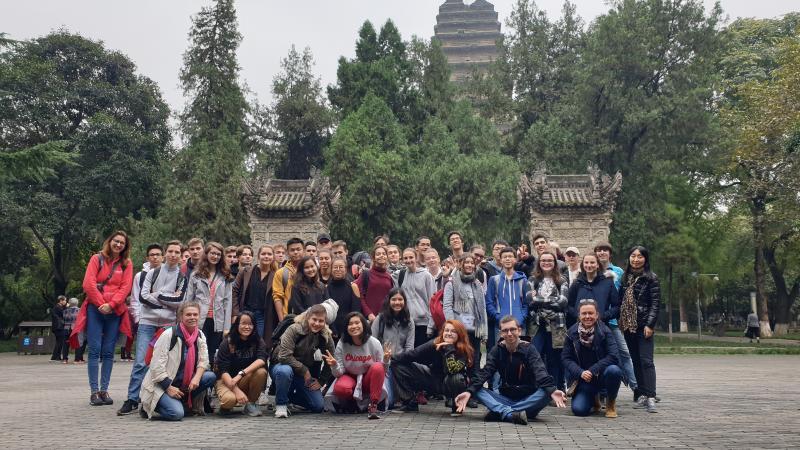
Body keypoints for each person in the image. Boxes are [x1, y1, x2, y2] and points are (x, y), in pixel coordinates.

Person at [454, 315, 567, 425]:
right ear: (501, 333)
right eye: (505, 330)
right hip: (505, 398)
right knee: (476, 389)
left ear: (519, 331)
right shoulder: (497, 350)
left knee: (547, 393)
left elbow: (540, 372)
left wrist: (552, 390)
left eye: (512, 329)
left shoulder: (530, 349)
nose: (509, 334)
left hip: (529, 400)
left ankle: (501, 412)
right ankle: (510, 414)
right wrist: (469, 391)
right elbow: (485, 372)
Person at [117, 240, 186, 416]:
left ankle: (153, 398)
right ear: (165, 253)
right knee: (141, 361)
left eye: (177, 252)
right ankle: (132, 398)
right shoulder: (151, 273)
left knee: (164, 363)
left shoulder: (182, 277)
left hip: (168, 325)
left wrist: (159, 295)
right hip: (148, 322)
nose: (173, 255)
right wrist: (167, 300)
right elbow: (143, 297)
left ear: (180, 255)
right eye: (170, 251)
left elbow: (180, 302)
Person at [70, 230, 134, 406]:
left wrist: (112, 305)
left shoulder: (126, 264)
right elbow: (88, 284)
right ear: (110, 241)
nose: (118, 244)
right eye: (116, 241)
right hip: (95, 309)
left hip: (114, 311)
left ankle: (104, 390)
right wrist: (101, 304)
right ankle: (94, 391)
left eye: (122, 242)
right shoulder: (96, 259)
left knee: (108, 351)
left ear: (125, 246)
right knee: (94, 349)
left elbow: (125, 287)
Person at [139, 301, 216, 420]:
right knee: (177, 414)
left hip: (183, 384)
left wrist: (196, 378)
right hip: (162, 384)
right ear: (181, 316)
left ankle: (183, 401)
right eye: (188, 315)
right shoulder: (169, 335)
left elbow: (204, 361)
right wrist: (169, 388)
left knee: (209, 376)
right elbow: (155, 367)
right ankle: (149, 405)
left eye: (195, 315)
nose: (192, 317)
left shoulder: (200, 335)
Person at [391, 320, 473, 415]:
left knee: (457, 378)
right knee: (398, 364)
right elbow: (414, 354)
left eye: (453, 331)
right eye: (446, 330)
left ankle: (457, 406)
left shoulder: (464, 350)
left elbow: (452, 370)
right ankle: (410, 403)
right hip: (433, 380)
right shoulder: (435, 343)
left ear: (460, 334)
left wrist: (449, 348)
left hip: (451, 384)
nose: (449, 334)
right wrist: (391, 358)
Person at [270, 304, 335, 418]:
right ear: (307, 317)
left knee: (318, 406)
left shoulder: (325, 335)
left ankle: (290, 397)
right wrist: (305, 371)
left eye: (321, 321)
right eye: (314, 319)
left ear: (325, 322)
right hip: (280, 366)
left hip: (301, 375)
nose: (317, 323)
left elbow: (331, 358)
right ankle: (281, 404)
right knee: (285, 371)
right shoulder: (294, 329)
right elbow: (284, 356)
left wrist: (321, 381)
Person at [561, 299, 623, 418]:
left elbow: (614, 356)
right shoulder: (571, 333)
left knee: (614, 370)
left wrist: (593, 370)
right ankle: (593, 397)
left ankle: (610, 403)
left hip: (602, 375)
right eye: (584, 313)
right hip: (583, 379)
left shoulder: (605, 331)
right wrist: (580, 372)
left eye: (590, 313)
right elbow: (566, 358)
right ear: (579, 315)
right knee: (579, 410)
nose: (587, 316)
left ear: (597, 315)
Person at [323, 312, 390, 419]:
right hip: (349, 376)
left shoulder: (374, 343)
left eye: (357, 323)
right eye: (350, 324)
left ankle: (373, 405)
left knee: (378, 367)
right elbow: (338, 373)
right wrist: (334, 365)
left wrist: (386, 360)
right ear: (346, 327)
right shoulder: (342, 343)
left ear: (363, 324)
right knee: (341, 388)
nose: (354, 326)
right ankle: (351, 404)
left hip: (368, 379)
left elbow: (383, 370)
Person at [619, 246, 660, 413]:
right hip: (629, 325)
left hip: (644, 325)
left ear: (646, 259)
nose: (636, 259)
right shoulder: (625, 277)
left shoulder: (651, 278)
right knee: (635, 360)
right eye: (633, 256)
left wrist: (650, 325)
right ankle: (642, 393)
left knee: (646, 361)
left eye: (640, 256)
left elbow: (655, 304)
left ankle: (651, 396)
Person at [443, 253, 487, 408]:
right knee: (455, 363)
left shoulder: (477, 284)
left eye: (471, 263)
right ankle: (452, 395)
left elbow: (483, 309)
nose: (469, 265)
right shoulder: (451, 283)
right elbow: (447, 306)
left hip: (474, 330)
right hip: (459, 331)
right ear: (460, 264)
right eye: (466, 262)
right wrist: (453, 325)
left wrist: (484, 330)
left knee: (473, 364)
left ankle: (471, 395)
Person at [594, 242, 638, 395]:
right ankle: (600, 392)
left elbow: (624, 295)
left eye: (605, 250)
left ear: (610, 254)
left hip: (613, 321)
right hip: (596, 322)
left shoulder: (619, 271)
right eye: (598, 251)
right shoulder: (594, 271)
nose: (601, 253)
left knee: (624, 353)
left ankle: (636, 387)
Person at [526, 251, 569, 392]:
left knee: (554, 358)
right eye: (543, 260)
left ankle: (554, 389)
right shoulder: (532, 280)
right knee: (535, 355)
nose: (546, 263)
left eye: (550, 260)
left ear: (555, 263)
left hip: (556, 325)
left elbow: (562, 302)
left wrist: (538, 299)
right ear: (539, 263)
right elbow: (529, 301)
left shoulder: (562, 280)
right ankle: (536, 388)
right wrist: (549, 301)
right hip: (537, 324)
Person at [185, 241, 234, 363]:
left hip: (218, 320)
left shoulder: (225, 275)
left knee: (212, 352)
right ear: (206, 254)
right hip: (199, 318)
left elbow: (228, 303)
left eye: (218, 254)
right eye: (212, 253)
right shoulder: (196, 274)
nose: (215, 256)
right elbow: (189, 299)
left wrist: (227, 327)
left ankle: (210, 378)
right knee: (198, 350)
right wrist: (185, 319)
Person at [214, 311, 269, 417]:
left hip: (242, 378)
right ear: (237, 325)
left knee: (261, 372)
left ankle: (251, 404)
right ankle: (226, 407)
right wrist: (236, 390)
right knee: (229, 400)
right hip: (226, 380)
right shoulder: (228, 342)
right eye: (243, 323)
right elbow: (222, 370)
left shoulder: (258, 341)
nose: (247, 327)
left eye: (250, 324)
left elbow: (261, 359)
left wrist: (241, 374)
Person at [371, 288, 414, 408]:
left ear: (404, 301)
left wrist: (400, 359)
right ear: (389, 301)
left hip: (400, 364)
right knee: (388, 403)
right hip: (383, 364)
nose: (397, 302)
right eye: (394, 299)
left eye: (400, 299)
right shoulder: (380, 320)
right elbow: (372, 343)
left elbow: (409, 347)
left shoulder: (409, 321)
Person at [233, 244, 279, 344]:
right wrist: (235, 313)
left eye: (269, 254)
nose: (266, 256)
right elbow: (234, 291)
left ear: (273, 257)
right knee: (242, 339)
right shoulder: (245, 271)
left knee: (259, 340)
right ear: (258, 256)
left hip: (262, 315)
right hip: (245, 311)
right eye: (263, 254)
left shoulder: (276, 275)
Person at [485, 247, 530, 343]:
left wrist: (521, 318)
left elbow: (526, 303)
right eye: (505, 257)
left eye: (510, 256)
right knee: (502, 353)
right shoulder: (494, 280)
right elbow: (489, 303)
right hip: (501, 326)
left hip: (519, 325)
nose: (507, 259)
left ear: (515, 259)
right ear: (500, 260)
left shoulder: (523, 280)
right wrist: (498, 317)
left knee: (520, 353)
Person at [396, 248, 436, 347]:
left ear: (416, 258)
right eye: (405, 258)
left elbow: (433, 301)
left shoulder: (426, 275)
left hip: (423, 323)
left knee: (422, 356)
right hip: (407, 322)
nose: (408, 260)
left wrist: (431, 325)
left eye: (411, 257)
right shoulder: (401, 275)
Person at [566, 253, 619, 328]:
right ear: (583, 265)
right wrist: (578, 315)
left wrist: (603, 316)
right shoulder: (577, 283)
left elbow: (616, 306)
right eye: (586, 262)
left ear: (597, 265)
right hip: (580, 327)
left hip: (602, 326)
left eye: (592, 262)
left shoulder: (608, 283)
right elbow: (569, 305)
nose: (589, 265)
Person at [354, 245, 394, 322]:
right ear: (373, 258)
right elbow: (359, 296)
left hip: (386, 319)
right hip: (369, 319)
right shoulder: (366, 274)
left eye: (384, 254)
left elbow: (390, 298)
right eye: (378, 254)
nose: (381, 255)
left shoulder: (389, 276)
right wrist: (368, 313)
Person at [326, 257, 362, 342]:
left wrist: (350, 328)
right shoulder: (326, 288)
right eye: (335, 267)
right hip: (332, 330)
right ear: (331, 269)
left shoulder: (353, 286)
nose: (338, 269)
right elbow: (327, 312)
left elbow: (356, 311)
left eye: (341, 267)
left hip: (350, 329)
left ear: (346, 270)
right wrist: (332, 329)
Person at [273, 237, 304, 321]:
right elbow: (277, 297)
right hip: (289, 317)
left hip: (309, 318)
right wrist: (282, 320)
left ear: (303, 250)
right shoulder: (281, 273)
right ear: (287, 253)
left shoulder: (310, 270)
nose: (296, 252)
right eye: (292, 250)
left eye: (298, 249)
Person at [50, 296, 68, 363]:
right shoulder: (58, 307)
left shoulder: (57, 307)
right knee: (60, 342)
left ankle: (54, 357)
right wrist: (67, 307)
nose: (65, 302)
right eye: (65, 300)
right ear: (61, 300)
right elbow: (64, 314)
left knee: (58, 341)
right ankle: (57, 357)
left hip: (57, 327)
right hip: (59, 327)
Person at [63, 298, 80, 362]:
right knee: (77, 343)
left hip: (66, 328)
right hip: (75, 328)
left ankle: (65, 359)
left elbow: (64, 319)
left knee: (66, 344)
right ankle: (77, 359)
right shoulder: (79, 310)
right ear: (77, 303)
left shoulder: (65, 311)